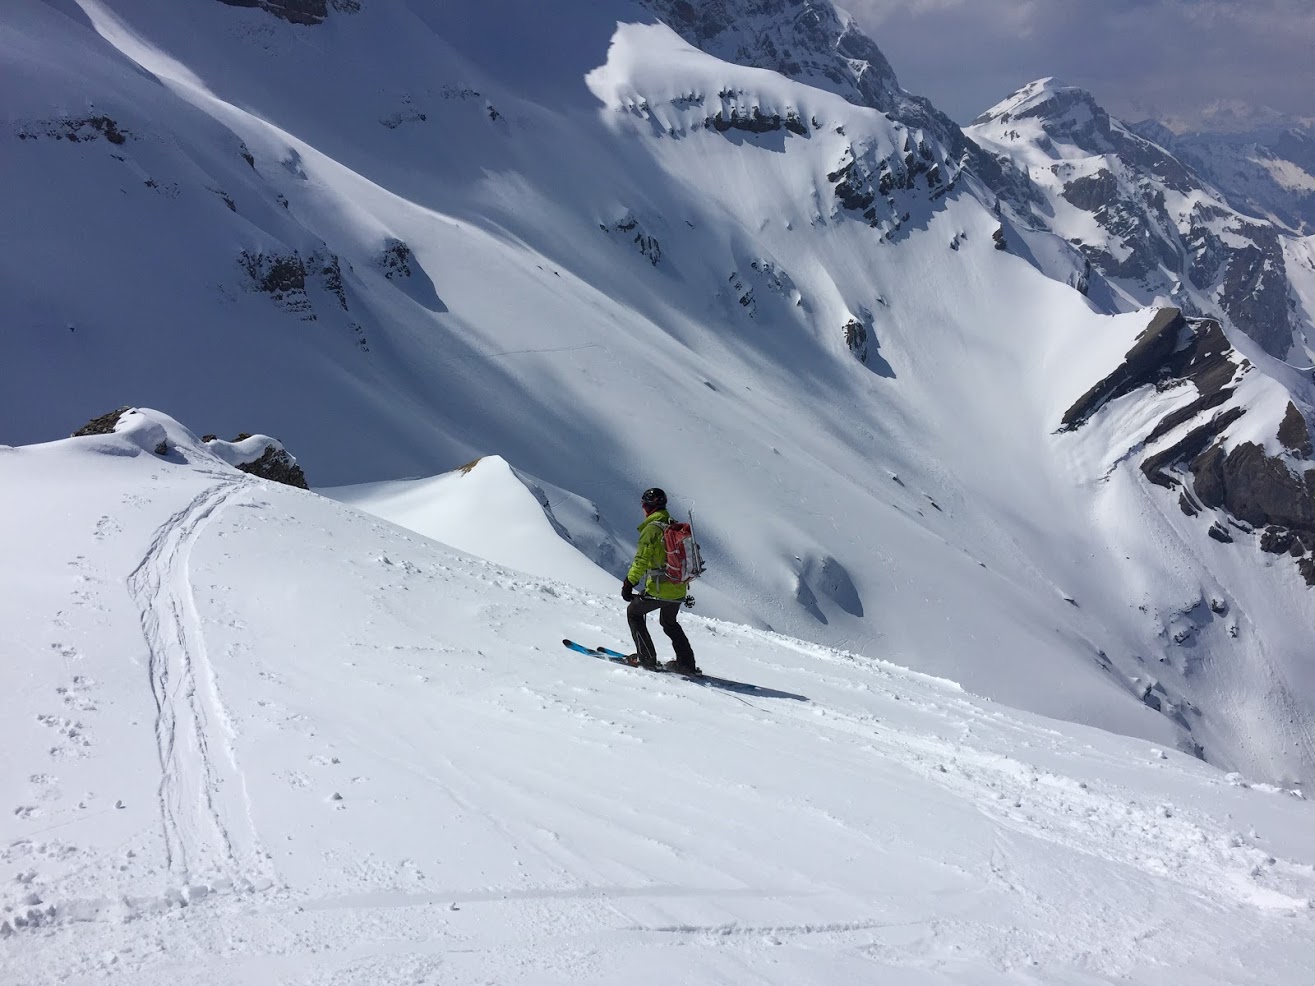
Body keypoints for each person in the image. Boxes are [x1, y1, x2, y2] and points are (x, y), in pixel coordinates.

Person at [622, 487, 699, 675]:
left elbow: (642, 559)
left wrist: (628, 583)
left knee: (634, 613)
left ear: (647, 507)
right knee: (669, 623)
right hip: (679, 586)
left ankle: (646, 658)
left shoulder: (652, 529)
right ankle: (686, 663)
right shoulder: (672, 524)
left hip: (660, 588)